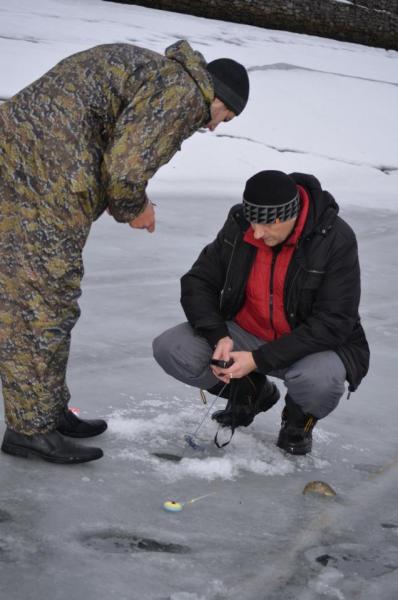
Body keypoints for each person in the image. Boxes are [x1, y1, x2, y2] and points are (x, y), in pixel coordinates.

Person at [0, 41, 249, 464]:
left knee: (49, 300)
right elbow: (125, 169)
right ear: (220, 98)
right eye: (226, 116)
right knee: (40, 305)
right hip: (44, 180)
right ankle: (30, 429)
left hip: (31, 166)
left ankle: (46, 411)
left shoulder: (164, 76)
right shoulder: (185, 95)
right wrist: (136, 209)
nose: (216, 126)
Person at [153, 170, 370, 455]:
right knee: (172, 348)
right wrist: (219, 336)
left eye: (267, 225)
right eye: (253, 222)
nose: (256, 233)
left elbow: (334, 322)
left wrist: (259, 359)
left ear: (290, 216)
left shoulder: (334, 238)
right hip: (246, 334)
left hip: (309, 347)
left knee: (321, 382)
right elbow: (198, 281)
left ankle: (296, 421)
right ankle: (251, 393)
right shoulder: (240, 225)